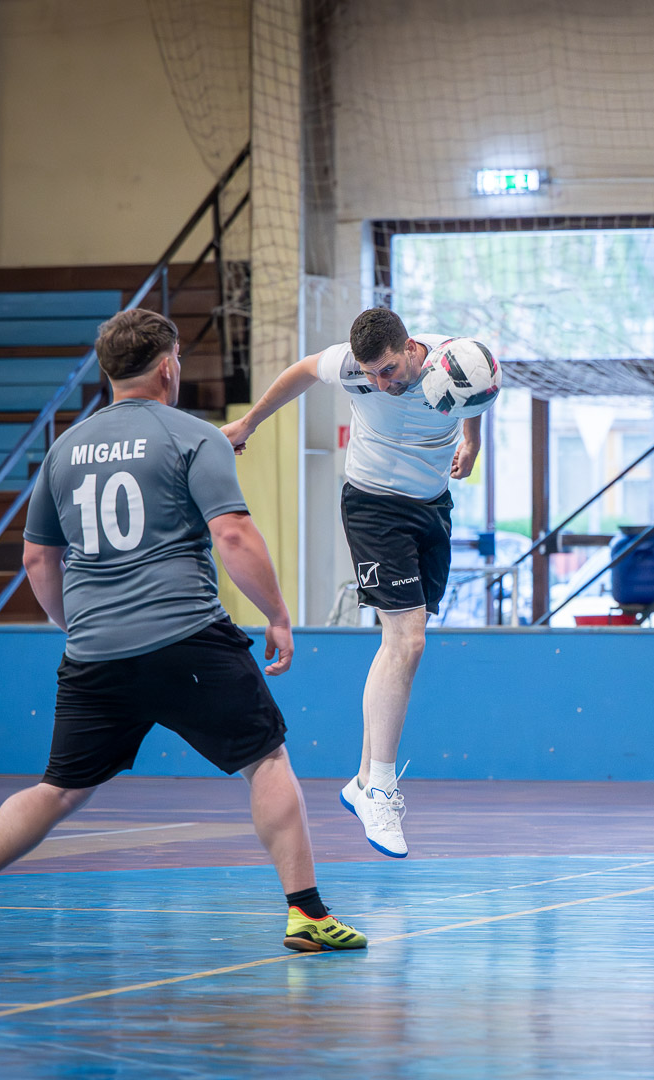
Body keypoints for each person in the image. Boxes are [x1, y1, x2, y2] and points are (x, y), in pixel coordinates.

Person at [0, 309, 365, 957]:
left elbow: (37, 560)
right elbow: (233, 535)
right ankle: (307, 914)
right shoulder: (192, 435)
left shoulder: (63, 450)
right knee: (265, 760)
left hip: (94, 654)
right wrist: (278, 615)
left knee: (59, 788)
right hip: (188, 639)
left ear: (108, 372)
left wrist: (77, 627)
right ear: (168, 367)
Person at [221, 308, 481, 858]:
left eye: (389, 370)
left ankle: (363, 782)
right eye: (371, 375)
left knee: (402, 643)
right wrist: (249, 424)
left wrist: (472, 442)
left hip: (432, 506)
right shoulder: (350, 366)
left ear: (411, 347)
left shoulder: (454, 359)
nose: (381, 383)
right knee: (407, 639)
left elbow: (479, 395)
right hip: (373, 506)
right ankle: (379, 787)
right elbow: (300, 372)